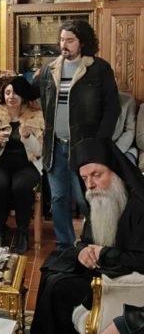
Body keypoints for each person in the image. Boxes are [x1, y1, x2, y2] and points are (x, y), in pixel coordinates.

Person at [31, 138, 144, 334]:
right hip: (102, 269)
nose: (90, 184)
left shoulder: (138, 205)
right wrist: (83, 251)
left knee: (59, 286)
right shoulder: (102, 197)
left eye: (96, 175)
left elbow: (140, 259)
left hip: (120, 279)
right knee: (52, 267)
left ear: (115, 171)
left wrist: (102, 253)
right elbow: (86, 241)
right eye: (84, 178)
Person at [35, 19, 120, 250]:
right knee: (58, 199)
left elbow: (112, 109)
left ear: (82, 42)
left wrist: (99, 142)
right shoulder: (49, 69)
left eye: (70, 40)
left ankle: (93, 245)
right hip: (55, 147)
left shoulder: (98, 68)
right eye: (62, 40)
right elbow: (37, 98)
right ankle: (65, 246)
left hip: (85, 147)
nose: (64, 45)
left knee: (87, 199)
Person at [0, 76, 44, 253]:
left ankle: (22, 231)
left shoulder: (36, 116)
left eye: (16, 93)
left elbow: (39, 151)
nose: (11, 97)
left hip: (27, 165)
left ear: (23, 95)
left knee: (21, 186)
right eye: (8, 92)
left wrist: (27, 136)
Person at [112, 91, 137, 165]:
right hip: (93, 149)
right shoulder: (85, 99)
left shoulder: (128, 100)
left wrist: (115, 151)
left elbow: (130, 131)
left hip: (122, 148)